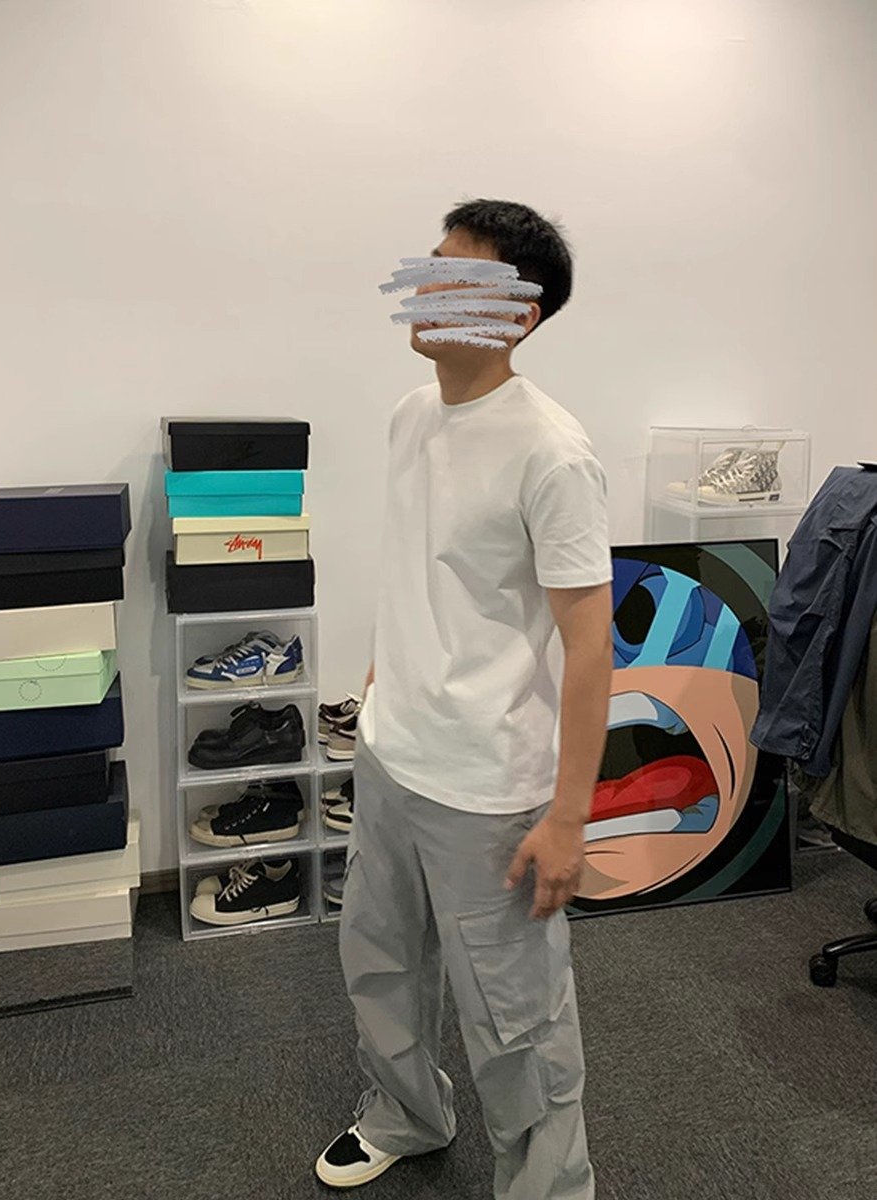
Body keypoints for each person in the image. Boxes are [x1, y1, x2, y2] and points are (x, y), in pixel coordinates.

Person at [316, 199, 614, 1200]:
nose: (428, 288)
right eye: (429, 266)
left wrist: (568, 817)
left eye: (459, 276)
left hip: (490, 788)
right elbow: (421, 567)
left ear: (518, 315)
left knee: (518, 1020)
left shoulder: (552, 452)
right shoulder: (412, 414)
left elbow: (589, 646)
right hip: (392, 754)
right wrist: (381, 675)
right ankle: (406, 1115)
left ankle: (548, 1188)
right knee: (381, 965)